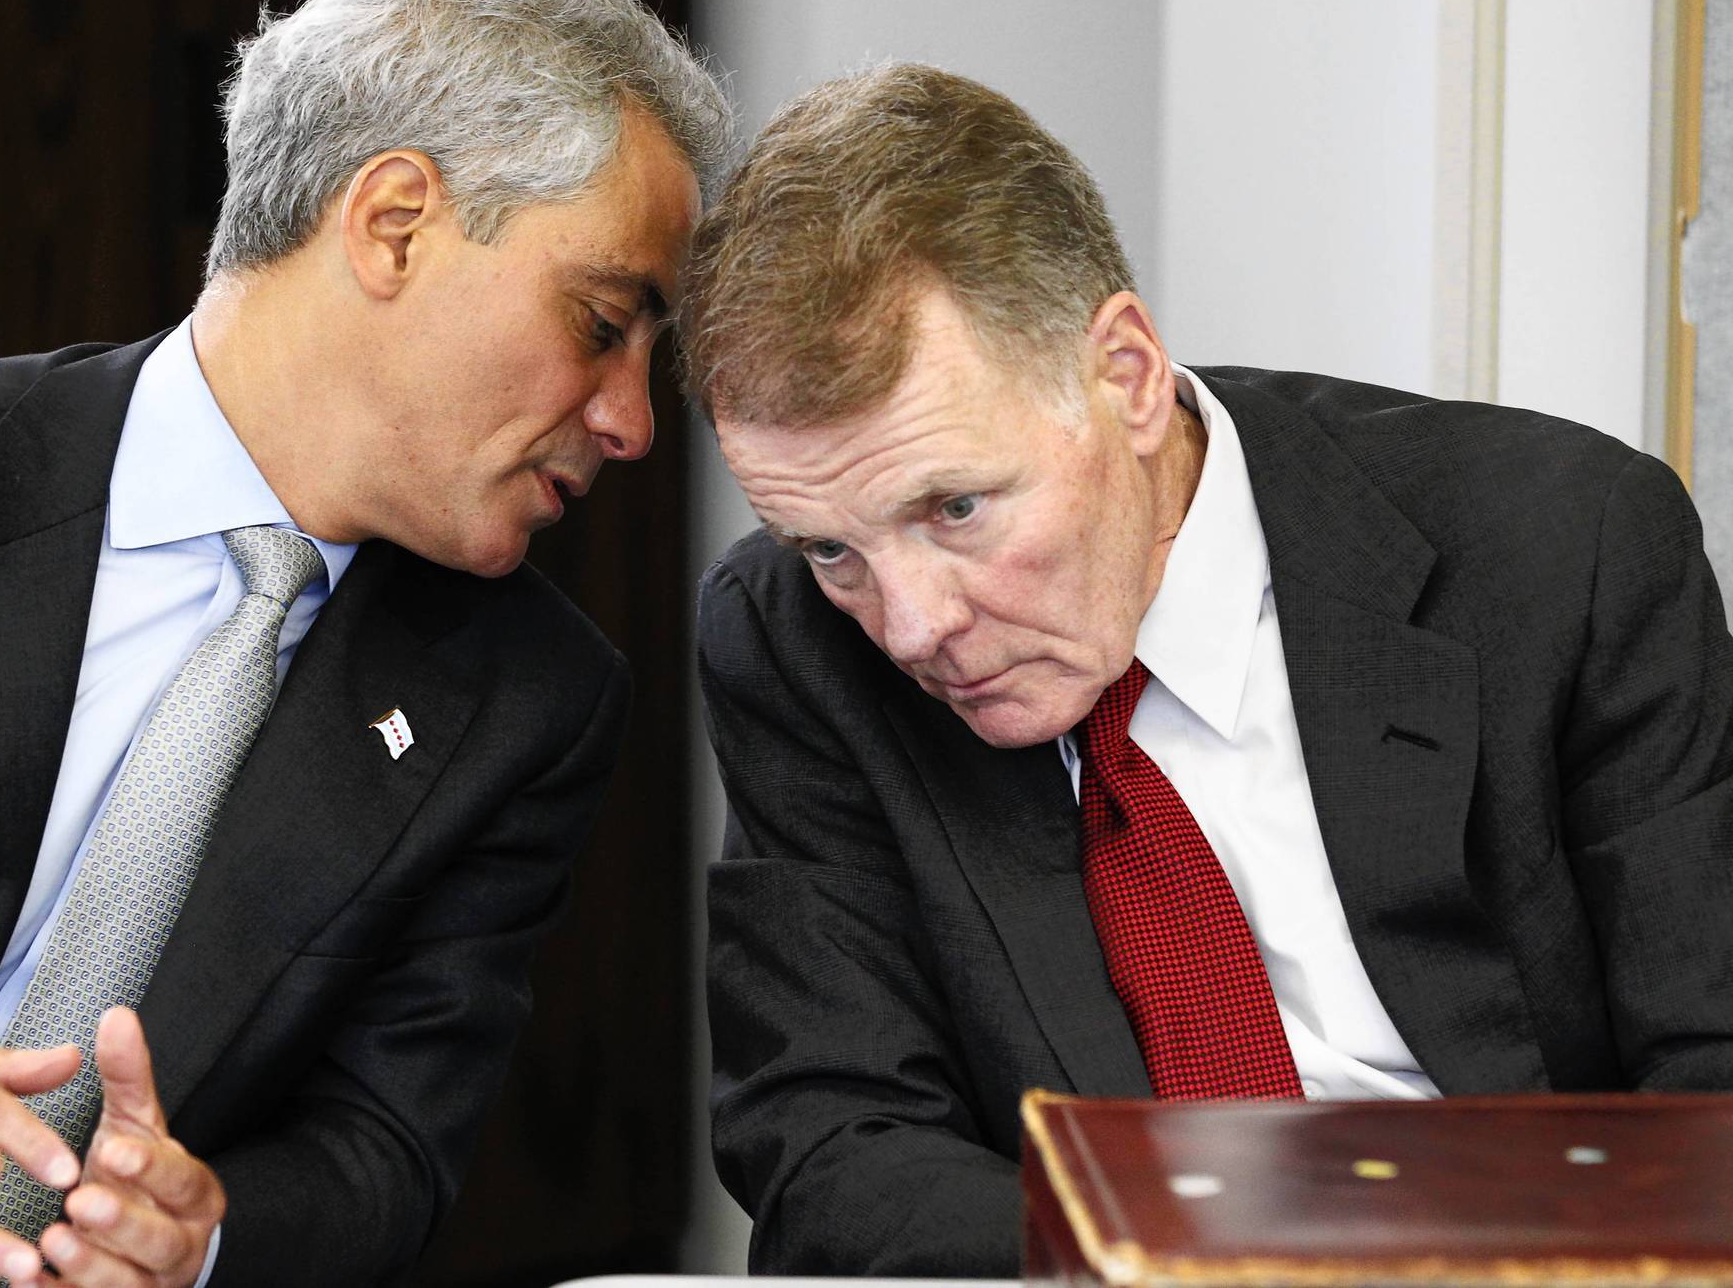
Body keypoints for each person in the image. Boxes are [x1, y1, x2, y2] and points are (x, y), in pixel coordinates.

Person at [0, 0, 732, 1286]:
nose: (635, 422)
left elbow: (384, 1153)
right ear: (394, 223)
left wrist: (200, 1242)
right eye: (603, 321)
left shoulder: (525, 700)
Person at [681, 62, 1733, 1276]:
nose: (911, 626)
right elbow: (826, 1145)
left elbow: (1710, 1081)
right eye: (829, 547)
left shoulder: (1562, 550)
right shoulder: (791, 640)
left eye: (955, 507)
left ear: (1123, 377)